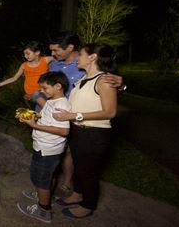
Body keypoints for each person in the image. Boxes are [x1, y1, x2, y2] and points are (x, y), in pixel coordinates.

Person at [33, 32, 124, 195]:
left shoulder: (92, 71)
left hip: (82, 124)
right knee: (59, 155)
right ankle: (50, 188)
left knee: (77, 161)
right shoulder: (56, 65)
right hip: (62, 118)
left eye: (56, 50)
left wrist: (122, 86)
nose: (53, 54)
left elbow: (107, 95)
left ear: (70, 48)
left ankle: (70, 187)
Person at [52, 43, 118, 218]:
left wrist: (74, 115)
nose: (76, 58)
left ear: (92, 57)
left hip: (94, 133)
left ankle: (88, 205)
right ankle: (77, 193)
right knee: (79, 166)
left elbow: (110, 112)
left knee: (87, 170)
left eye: (80, 54)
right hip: (78, 131)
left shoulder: (104, 80)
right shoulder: (83, 79)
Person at [17, 71, 71, 223]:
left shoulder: (61, 105)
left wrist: (34, 126)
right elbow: (49, 118)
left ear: (58, 86)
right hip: (44, 147)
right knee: (48, 176)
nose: (41, 91)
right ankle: (46, 195)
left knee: (41, 178)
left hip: (48, 150)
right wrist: (34, 117)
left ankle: (43, 210)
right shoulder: (52, 100)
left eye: (45, 88)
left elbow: (64, 131)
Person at [0, 41, 53, 109]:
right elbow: (14, 78)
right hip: (32, 93)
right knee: (37, 96)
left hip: (44, 90)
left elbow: (59, 58)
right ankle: (48, 111)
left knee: (41, 99)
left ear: (37, 52)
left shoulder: (46, 60)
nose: (25, 56)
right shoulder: (24, 66)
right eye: (24, 54)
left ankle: (49, 111)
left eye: (28, 54)